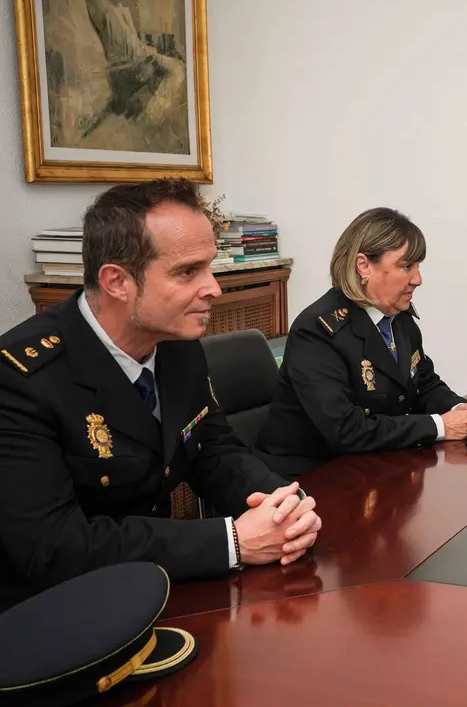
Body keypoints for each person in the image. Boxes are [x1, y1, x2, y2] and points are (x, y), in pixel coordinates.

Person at [0, 179, 321, 613]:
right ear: (116, 281)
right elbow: (57, 546)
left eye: (209, 266)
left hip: (156, 587)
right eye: (188, 272)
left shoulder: (177, 345)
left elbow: (214, 451)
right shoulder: (20, 379)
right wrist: (232, 542)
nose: (214, 288)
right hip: (55, 620)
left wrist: (283, 506)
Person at [257, 207, 467, 477]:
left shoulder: (398, 316)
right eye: (406, 266)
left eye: (418, 266)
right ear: (364, 265)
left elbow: (423, 384)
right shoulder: (317, 331)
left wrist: (459, 409)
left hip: (371, 464)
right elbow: (345, 430)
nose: (418, 279)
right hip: (310, 478)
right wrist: (439, 427)